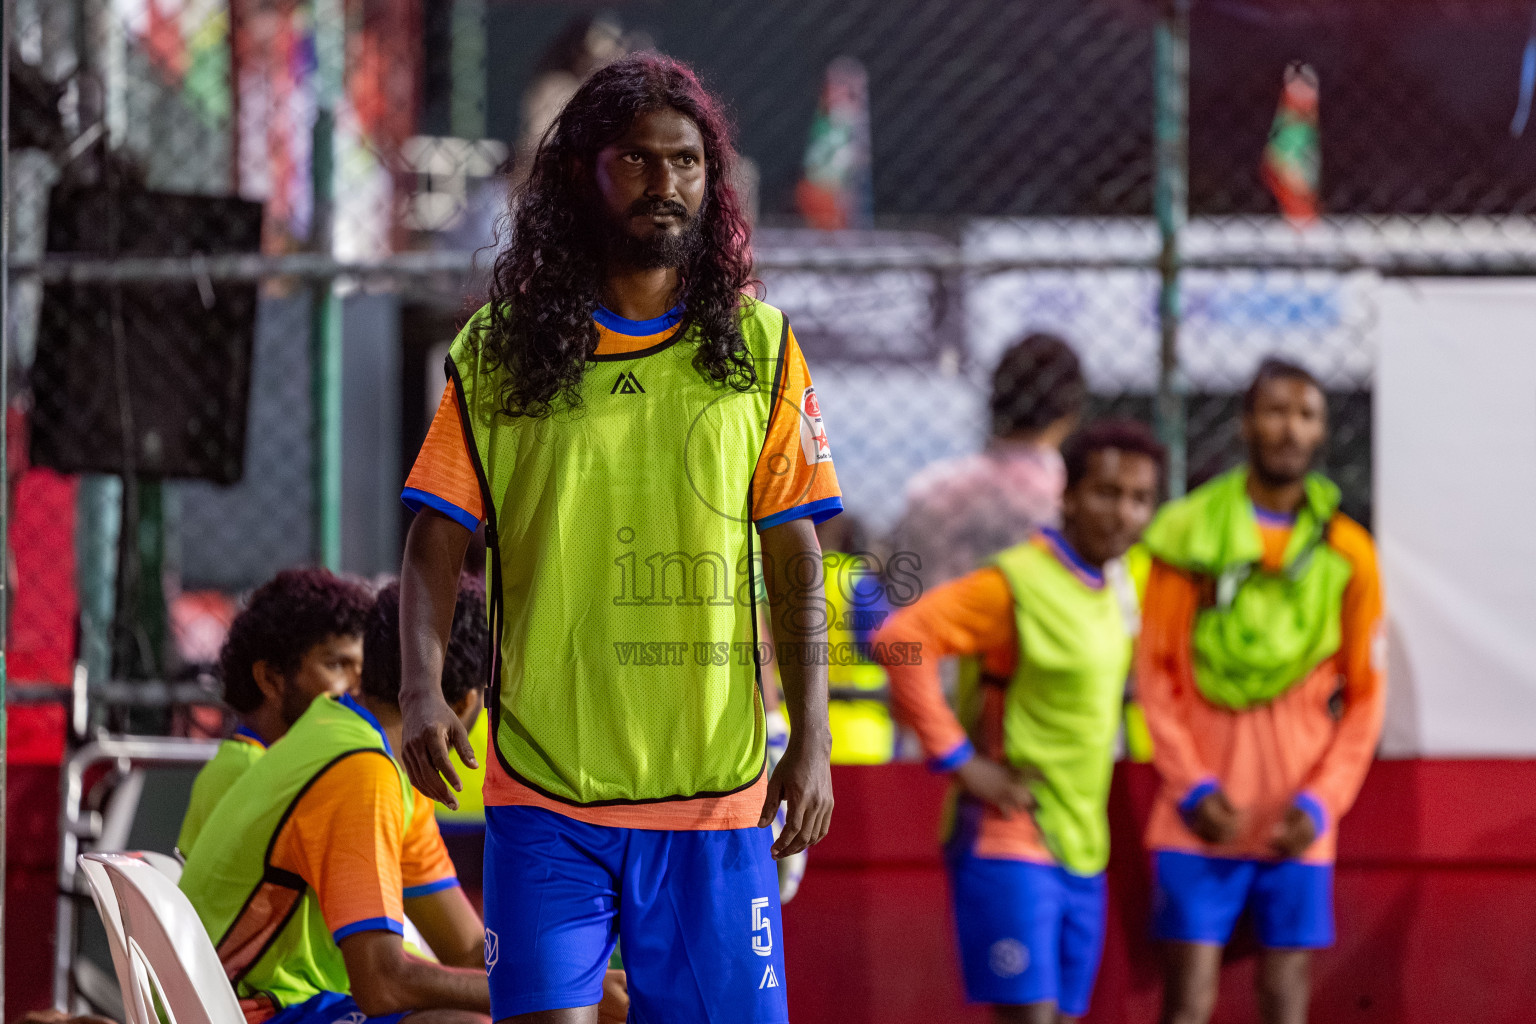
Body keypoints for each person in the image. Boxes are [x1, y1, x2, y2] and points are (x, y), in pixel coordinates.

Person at [395, 53, 839, 1024]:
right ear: (582, 176)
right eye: (636, 161)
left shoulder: (760, 346)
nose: (664, 183)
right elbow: (435, 541)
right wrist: (423, 690)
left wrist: (813, 736)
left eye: (685, 162)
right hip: (546, 791)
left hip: (714, 796)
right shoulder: (498, 351)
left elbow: (795, 554)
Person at [874, 421, 1165, 1024]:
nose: (1124, 513)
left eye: (1140, 499)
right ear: (1068, 497)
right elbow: (902, 637)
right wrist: (958, 760)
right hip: (1009, 834)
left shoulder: (1118, 586)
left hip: (1082, 844)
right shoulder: (1016, 583)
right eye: (1107, 493)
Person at [1137, 358, 1385, 1024]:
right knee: (1186, 1001)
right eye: (1275, 411)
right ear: (1246, 422)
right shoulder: (1187, 535)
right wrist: (1191, 787)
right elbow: (1153, 675)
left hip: (1297, 822)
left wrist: (1321, 803)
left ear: (1322, 433)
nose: (1289, 428)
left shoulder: (1349, 552)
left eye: (1305, 415)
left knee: (1286, 1001)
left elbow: (1366, 696)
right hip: (1197, 816)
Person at [179, 578, 517, 1024]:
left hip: (298, 1000)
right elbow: (382, 984)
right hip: (251, 1011)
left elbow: (470, 949)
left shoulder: (354, 741)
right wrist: (547, 997)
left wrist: (574, 986)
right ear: (466, 702)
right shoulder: (360, 768)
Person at [176, 568, 371, 857]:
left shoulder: (252, 763)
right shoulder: (248, 774)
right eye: (336, 665)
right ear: (270, 678)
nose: (358, 687)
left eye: (361, 669)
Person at [889, 333, 1086, 595]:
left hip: (927, 631)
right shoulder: (1068, 500)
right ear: (1071, 412)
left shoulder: (928, 490)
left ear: (995, 398)